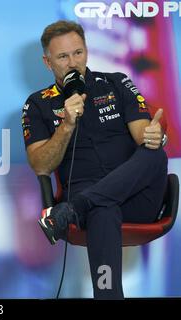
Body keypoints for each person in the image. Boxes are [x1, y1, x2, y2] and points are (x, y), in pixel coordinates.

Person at [21, 20, 167, 299]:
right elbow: (41, 165)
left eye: (78, 53)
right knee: (103, 209)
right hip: (93, 201)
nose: (73, 63)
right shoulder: (36, 103)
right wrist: (66, 124)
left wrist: (151, 136)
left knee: (155, 153)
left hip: (136, 197)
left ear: (87, 51)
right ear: (47, 62)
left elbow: (142, 136)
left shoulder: (117, 82)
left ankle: (73, 209)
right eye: (63, 56)